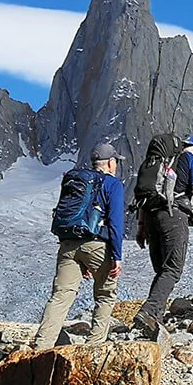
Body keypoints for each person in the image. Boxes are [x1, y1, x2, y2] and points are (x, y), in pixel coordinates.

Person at [33, 142, 125, 350]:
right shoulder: (113, 184)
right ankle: (93, 347)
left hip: (68, 244)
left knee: (61, 296)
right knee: (105, 294)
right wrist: (117, 256)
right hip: (97, 245)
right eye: (116, 162)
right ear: (111, 163)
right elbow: (116, 223)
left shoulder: (77, 180)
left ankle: (41, 347)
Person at [135, 135, 193, 339]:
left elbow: (144, 198)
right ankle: (150, 312)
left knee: (162, 270)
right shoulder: (192, 159)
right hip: (173, 215)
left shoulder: (157, 162)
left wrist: (141, 228)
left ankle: (154, 320)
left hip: (150, 217)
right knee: (173, 269)